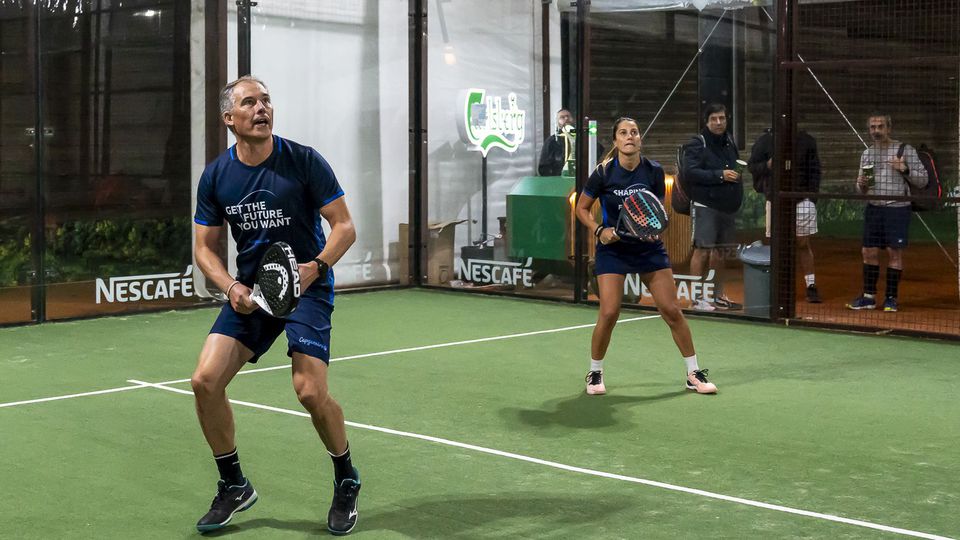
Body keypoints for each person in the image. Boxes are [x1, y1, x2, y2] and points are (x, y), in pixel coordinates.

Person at [191, 75, 361, 535]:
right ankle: (233, 485)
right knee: (205, 381)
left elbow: (344, 226)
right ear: (230, 119)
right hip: (251, 289)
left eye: (266, 100)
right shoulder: (217, 175)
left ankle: (346, 477)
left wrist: (316, 266)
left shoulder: (304, 161)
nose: (262, 108)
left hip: (306, 286)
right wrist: (230, 288)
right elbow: (204, 249)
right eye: (250, 102)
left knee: (309, 391)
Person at [575, 117, 717, 396]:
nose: (630, 137)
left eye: (634, 133)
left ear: (640, 139)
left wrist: (650, 231)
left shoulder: (653, 171)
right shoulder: (603, 173)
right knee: (609, 311)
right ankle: (594, 372)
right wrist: (599, 230)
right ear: (616, 141)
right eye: (623, 133)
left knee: (671, 310)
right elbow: (581, 208)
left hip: (647, 249)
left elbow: (652, 209)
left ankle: (693, 373)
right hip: (613, 250)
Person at [846, 112, 927, 312]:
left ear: (889, 128)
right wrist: (862, 184)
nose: (876, 131)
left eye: (880, 126)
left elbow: (923, 180)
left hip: (897, 209)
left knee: (894, 252)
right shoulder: (867, 154)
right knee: (868, 251)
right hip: (874, 208)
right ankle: (869, 297)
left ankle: (891, 298)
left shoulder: (903, 150)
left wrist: (905, 169)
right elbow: (863, 188)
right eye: (873, 127)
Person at [748, 127, 823, 303]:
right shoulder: (765, 140)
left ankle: (811, 286)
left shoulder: (807, 140)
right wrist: (767, 165)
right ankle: (778, 288)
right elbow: (752, 166)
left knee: (803, 243)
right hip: (775, 201)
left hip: (802, 200)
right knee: (777, 245)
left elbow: (815, 170)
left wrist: (812, 198)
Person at [683, 103, 744, 311]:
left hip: (726, 207)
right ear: (706, 121)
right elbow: (689, 172)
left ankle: (717, 296)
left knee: (721, 252)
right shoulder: (697, 143)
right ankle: (697, 298)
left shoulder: (729, 141)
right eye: (714, 119)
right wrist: (719, 175)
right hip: (705, 205)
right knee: (702, 251)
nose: (719, 123)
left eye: (722, 118)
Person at [538, 108, 604, 176]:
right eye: (562, 117)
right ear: (557, 122)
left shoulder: (582, 137)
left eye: (568, 116)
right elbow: (543, 167)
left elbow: (596, 152)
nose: (566, 118)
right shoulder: (552, 141)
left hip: (580, 178)